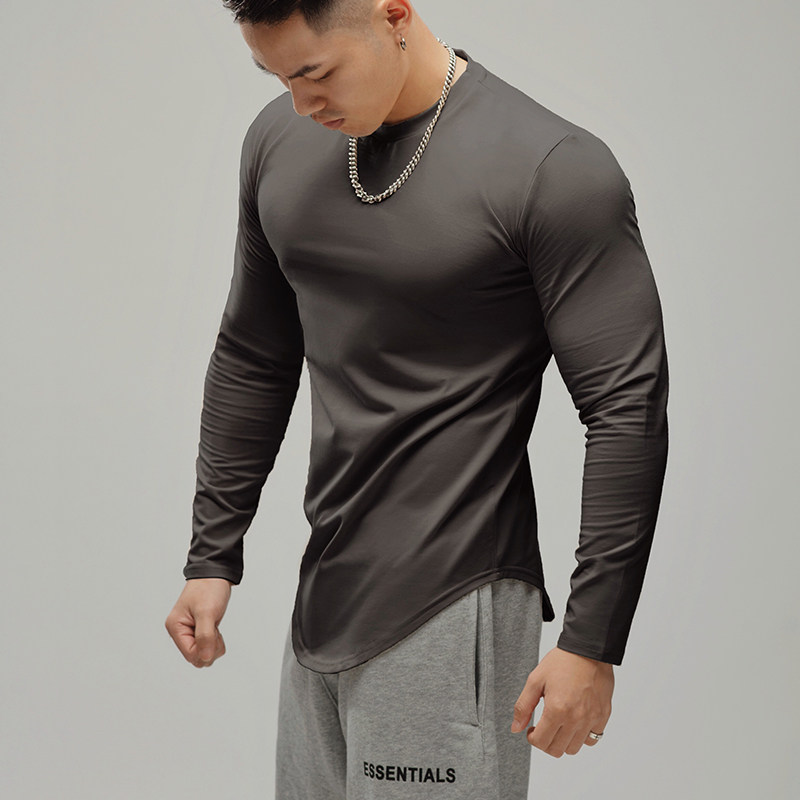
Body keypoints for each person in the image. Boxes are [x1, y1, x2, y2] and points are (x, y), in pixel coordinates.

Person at [164, 1, 670, 797]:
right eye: (278, 77)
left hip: (454, 598)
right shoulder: (279, 142)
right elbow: (254, 354)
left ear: (393, 14)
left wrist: (592, 639)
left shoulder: (552, 168)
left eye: (315, 73)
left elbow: (626, 407)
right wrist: (212, 552)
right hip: (324, 596)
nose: (301, 104)